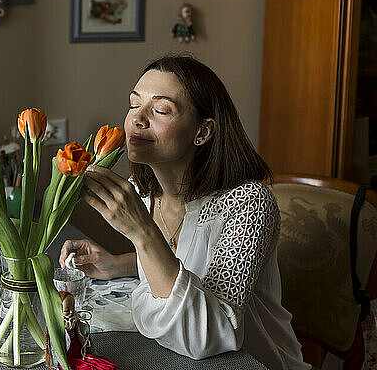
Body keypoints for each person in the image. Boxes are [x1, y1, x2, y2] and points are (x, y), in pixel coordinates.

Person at [59, 55, 310, 369]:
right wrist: (115, 265)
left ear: (202, 132)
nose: (137, 119)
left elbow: (208, 333)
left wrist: (140, 232)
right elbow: (184, 260)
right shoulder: (146, 190)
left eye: (161, 109)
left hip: (251, 362)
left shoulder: (249, 204)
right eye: (134, 104)